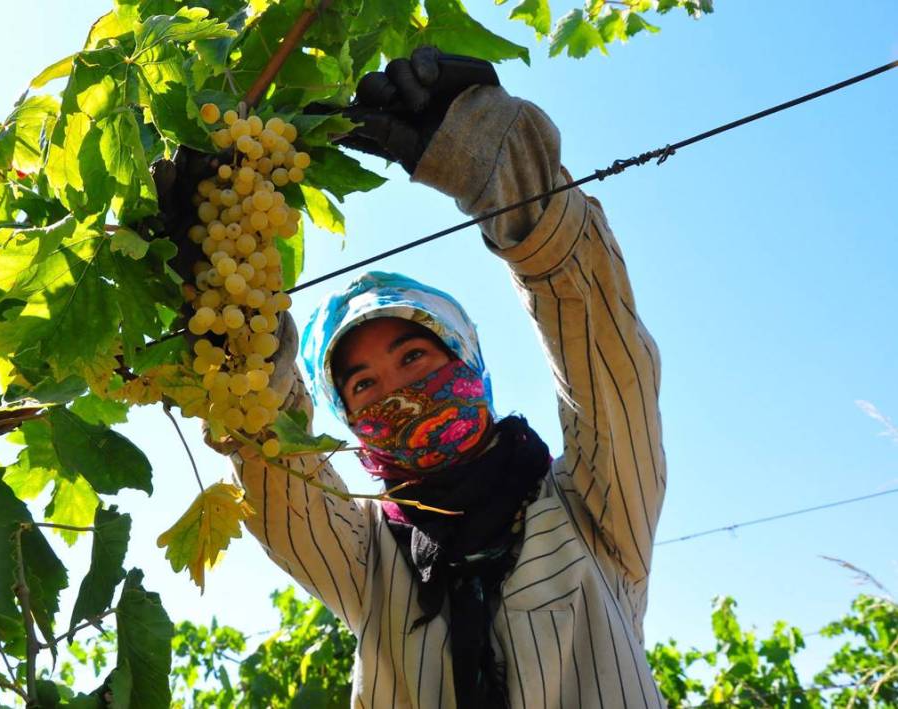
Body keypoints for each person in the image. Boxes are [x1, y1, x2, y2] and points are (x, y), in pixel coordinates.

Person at [205, 47, 666, 708]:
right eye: (363, 386)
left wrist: (505, 171)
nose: (396, 391)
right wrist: (237, 336)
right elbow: (274, 467)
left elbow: (608, 362)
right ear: (350, 422)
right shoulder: (365, 555)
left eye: (414, 356)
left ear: (466, 361)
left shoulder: (593, 510)